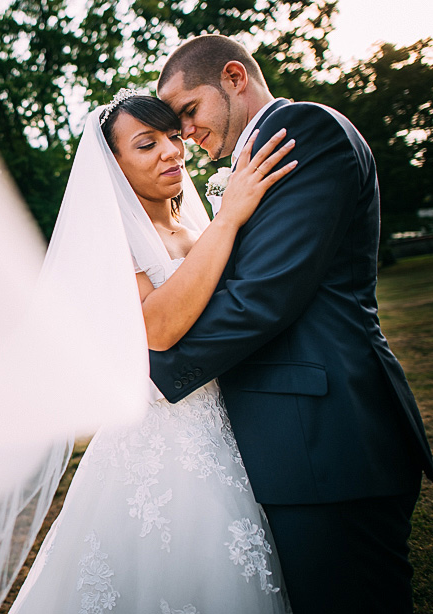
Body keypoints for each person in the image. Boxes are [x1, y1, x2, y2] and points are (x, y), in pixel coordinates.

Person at [152, 34, 433, 613]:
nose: (185, 133)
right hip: (297, 443)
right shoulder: (255, 161)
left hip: (328, 440)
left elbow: (262, 296)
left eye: (189, 111)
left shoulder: (305, 132)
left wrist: (153, 364)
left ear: (234, 78)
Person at [9, 90, 296, 613]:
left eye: (172, 136)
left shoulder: (195, 224)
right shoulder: (112, 240)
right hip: (159, 444)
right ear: (114, 168)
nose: (171, 151)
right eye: (147, 144)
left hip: (231, 423)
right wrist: (230, 219)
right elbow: (158, 328)